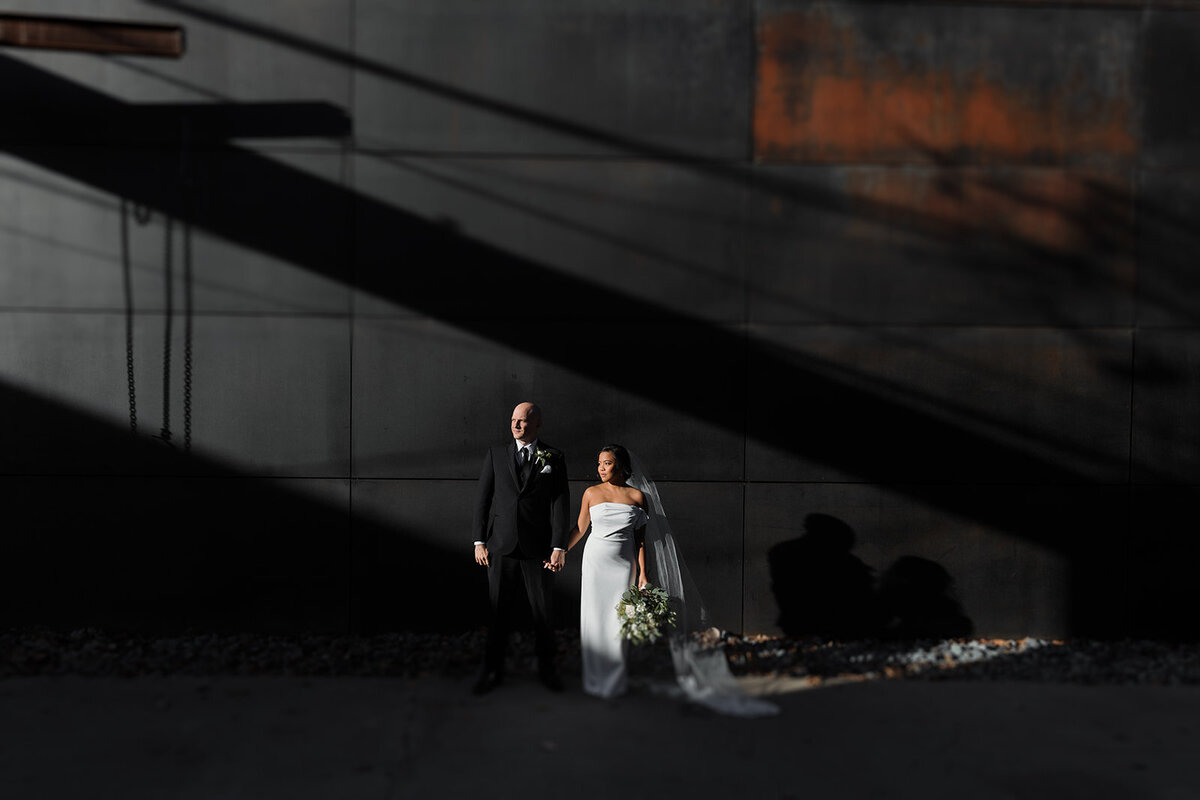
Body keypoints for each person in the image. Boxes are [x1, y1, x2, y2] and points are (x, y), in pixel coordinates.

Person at [471, 402, 570, 694]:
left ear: (537, 424)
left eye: (524, 421)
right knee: (497, 613)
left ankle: (547, 671)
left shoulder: (554, 456)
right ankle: (492, 671)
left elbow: (561, 504)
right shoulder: (496, 454)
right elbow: (483, 499)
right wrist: (479, 541)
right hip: (500, 547)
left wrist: (558, 546)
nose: (516, 425)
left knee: (543, 613)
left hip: (538, 549)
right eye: (513, 420)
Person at [563, 444, 647, 698]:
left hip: (624, 566)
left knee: (618, 624)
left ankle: (615, 682)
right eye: (599, 463)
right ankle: (594, 680)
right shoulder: (591, 493)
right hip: (595, 564)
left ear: (620, 465)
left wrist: (643, 574)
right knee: (595, 621)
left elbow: (641, 541)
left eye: (607, 463)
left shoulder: (637, 497)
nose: (601, 468)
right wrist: (559, 551)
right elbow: (580, 528)